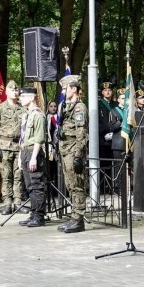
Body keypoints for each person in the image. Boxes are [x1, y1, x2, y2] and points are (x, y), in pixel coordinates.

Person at [57, 74, 88, 233]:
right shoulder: (66, 106)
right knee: (70, 184)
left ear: (74, 89)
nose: (63, 91)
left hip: (73, 149)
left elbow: (81, 133)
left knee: (77, 184)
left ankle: (78, 219)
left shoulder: (79, 108)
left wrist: (78, 155)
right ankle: (74, 215)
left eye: (65, 88)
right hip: (65, 148)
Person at [0, 81, 26, 214]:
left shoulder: (22, 108)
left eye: (17, 90)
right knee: (6, 176)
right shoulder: (0, 108)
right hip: (4, 146)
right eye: (12, 90)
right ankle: (7, 203)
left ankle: (17, 202)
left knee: (18, 175)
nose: (15, 92)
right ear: (6, 91)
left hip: (19, 146)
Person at [17, 87, 48, 227]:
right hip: (25, 151)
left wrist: (34, 157)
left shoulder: (38, 115)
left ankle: (39, 216)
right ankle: (33, 213)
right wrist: (20, 156)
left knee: (37, 184)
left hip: (33, 152)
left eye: (23, 97)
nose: (20, 99)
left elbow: (39, 138)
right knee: (29, 185)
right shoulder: (26, 114)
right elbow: (22, 138)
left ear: (31, 98)